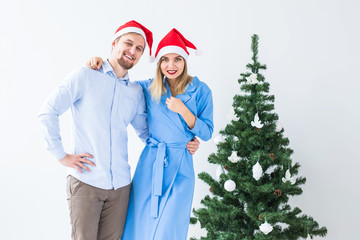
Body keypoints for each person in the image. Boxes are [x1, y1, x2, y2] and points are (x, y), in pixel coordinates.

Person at [38, 21, 199, 240]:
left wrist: (187, 140)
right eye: (128, 43)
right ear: (114, 43)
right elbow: (48, 112)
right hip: (87, 182)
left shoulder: (135, 92)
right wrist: (61, 156)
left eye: (139, 48)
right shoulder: (86, 75)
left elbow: (148, 134)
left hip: (121, 189)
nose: (133, 51)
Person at [87, 28, 213, 240]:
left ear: (185, 61)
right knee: (138, 224)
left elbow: (207, 132)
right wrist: (100, 62)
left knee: (170, 228)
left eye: (177, 59)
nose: (171, 66)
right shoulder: (146, 87)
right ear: (158, 62)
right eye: (165, 59)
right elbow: (118, 83)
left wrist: (184, 111)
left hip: (181, 164)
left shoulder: (201, 90)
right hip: (151, 163)